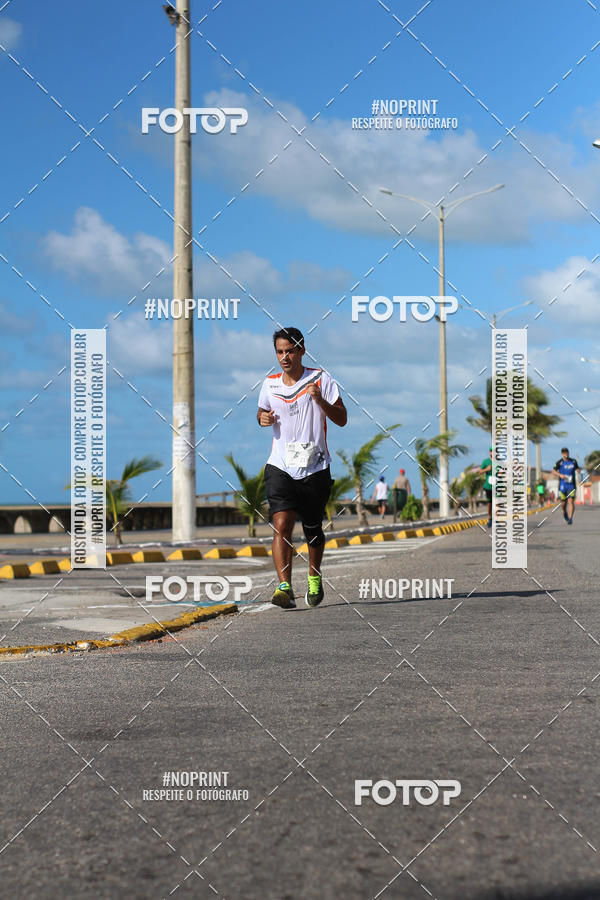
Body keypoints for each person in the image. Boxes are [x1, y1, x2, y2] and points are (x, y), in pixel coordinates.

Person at [257, 327, 347, 609]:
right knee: (281, 522)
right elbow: (261, 412)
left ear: (301, 351)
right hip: (280, 465)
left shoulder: (321, 379)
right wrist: (262, 418)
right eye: (280, 352)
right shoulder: (270, 384)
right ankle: (284, 587)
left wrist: (319, 400)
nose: (284, 357)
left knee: (312, 529)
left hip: (315, 467)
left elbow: (342, 418)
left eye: (290, 351)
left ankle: (314, 577)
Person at [552, 447, 579, 525]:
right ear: (562, 454)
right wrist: (560, 475)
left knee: (571, 501)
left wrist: (578, 471)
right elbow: (553, 471)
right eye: (564, 453)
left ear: (568, 453)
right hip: (562, 486)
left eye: (566, 452)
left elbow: (577, 469)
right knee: (563, 504)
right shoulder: (559, 462)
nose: (565, 454)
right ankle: (565, 514)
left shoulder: (573, 461)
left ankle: (570, 518)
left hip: (572, 485)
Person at [474, 447, 494, 528]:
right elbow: (479, 472)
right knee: (490, 503)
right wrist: (487, 469)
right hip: (488, 485)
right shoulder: (486, 461)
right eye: (492, 451)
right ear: (490, 452)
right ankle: (490, 518)